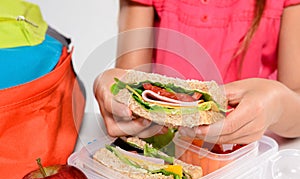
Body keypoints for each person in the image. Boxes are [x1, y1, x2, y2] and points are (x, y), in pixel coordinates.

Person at [94, 0, 300, 144]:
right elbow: (130, 79)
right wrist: (114, 85)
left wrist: (277, 104)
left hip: (253, 162)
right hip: (168, 151)